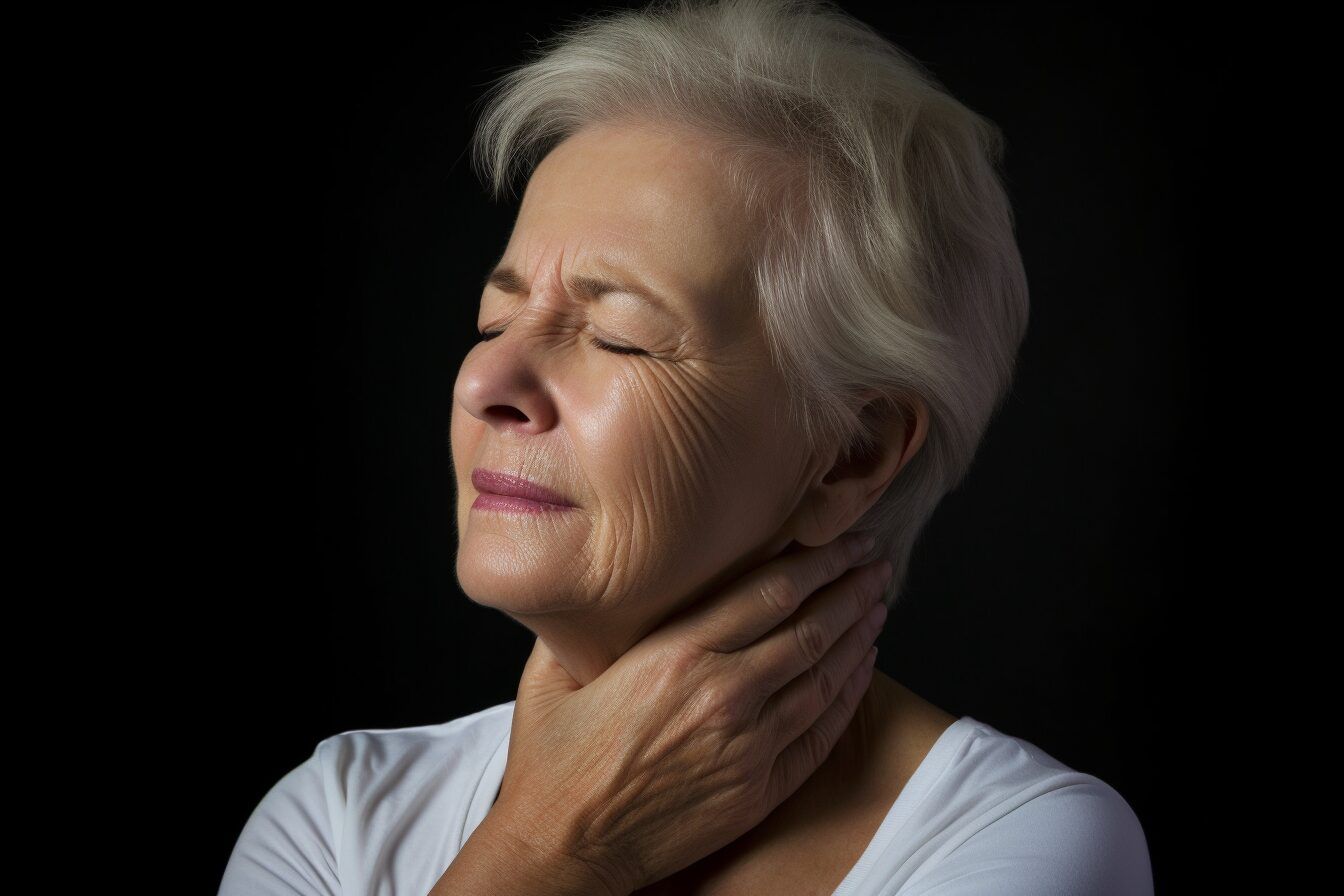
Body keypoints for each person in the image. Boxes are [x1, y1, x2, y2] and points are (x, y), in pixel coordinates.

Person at [219, 0, 1154, 893]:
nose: (481, 384)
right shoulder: (336, 815)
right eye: (495, 317)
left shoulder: (1022, 842)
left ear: (851, 454)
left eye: (619, 336)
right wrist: (551, 854)